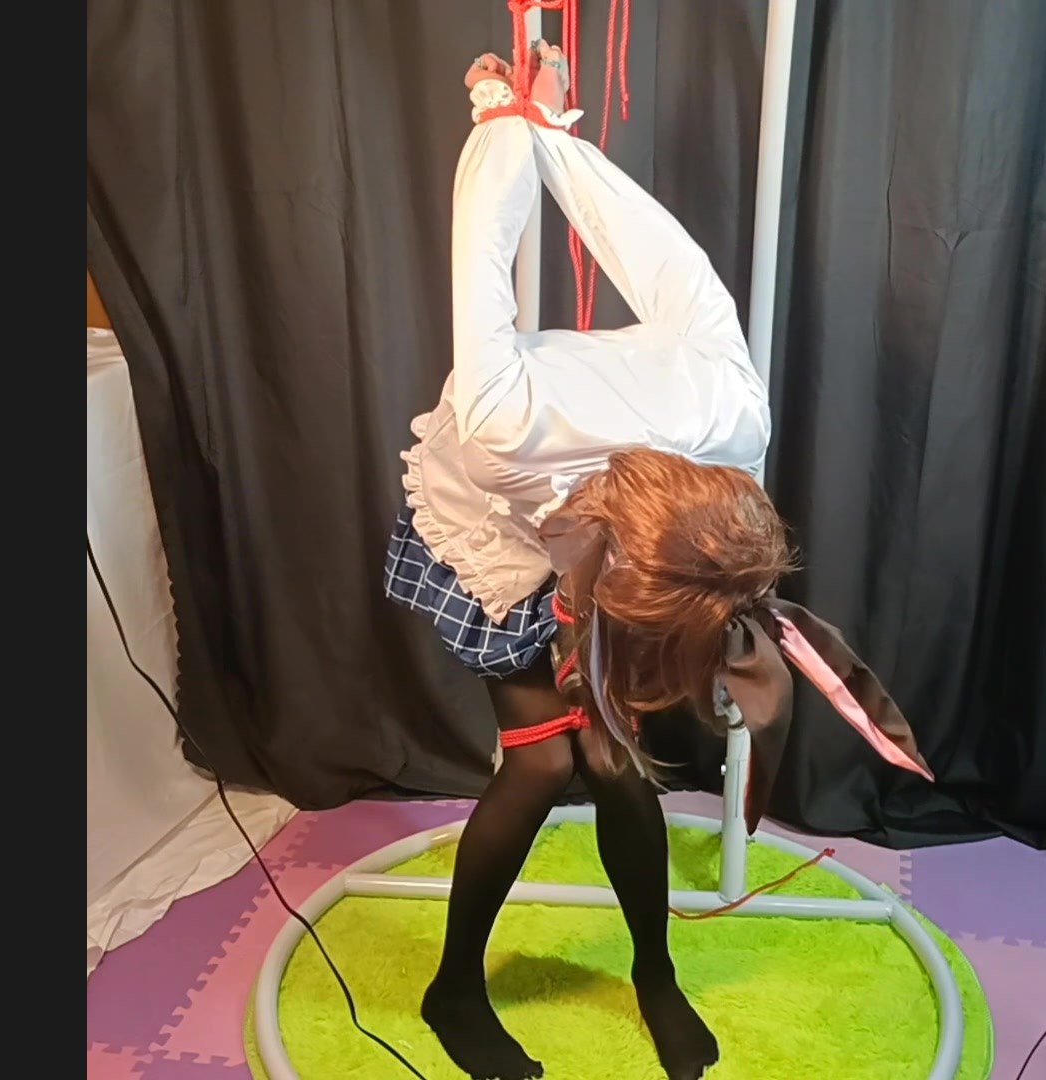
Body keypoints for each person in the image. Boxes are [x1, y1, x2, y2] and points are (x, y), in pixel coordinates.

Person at [383, 43, 783, 1080]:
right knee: (545, 759)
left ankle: (655, 971)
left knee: (615, 759)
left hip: (636, 540)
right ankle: (452, 987)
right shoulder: (505, 424)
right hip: (490, 527)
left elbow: (642, 242)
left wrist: (557, 138)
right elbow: (482, 247)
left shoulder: (733, 415)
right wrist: (503, 120)